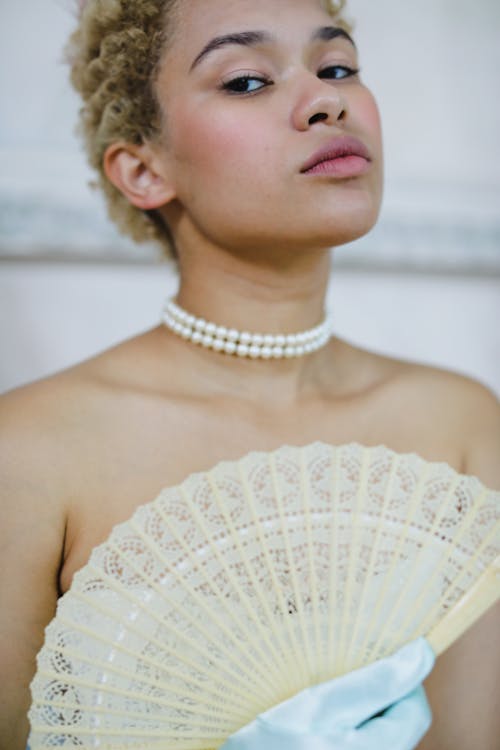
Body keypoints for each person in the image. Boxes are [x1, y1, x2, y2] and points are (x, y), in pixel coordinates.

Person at [0, 0, 499, 748]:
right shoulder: (32, 447)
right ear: (143, 169)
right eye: (245, 82)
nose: (327, 99)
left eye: (338, 68)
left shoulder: (461, 423)